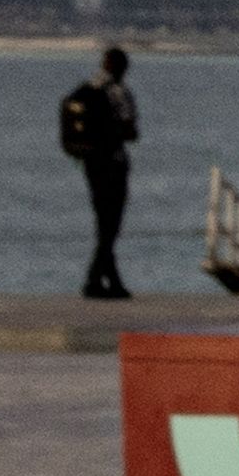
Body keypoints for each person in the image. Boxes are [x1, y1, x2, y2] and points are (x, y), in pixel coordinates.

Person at [56, 44, 139, 300]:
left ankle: (111, 281)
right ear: (121, 67)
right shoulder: (117, 91)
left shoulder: (86, 88)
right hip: (113, 160)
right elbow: (131, 130)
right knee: (111, 224)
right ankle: (95, 279)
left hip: (91, 162)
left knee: (103, 221)